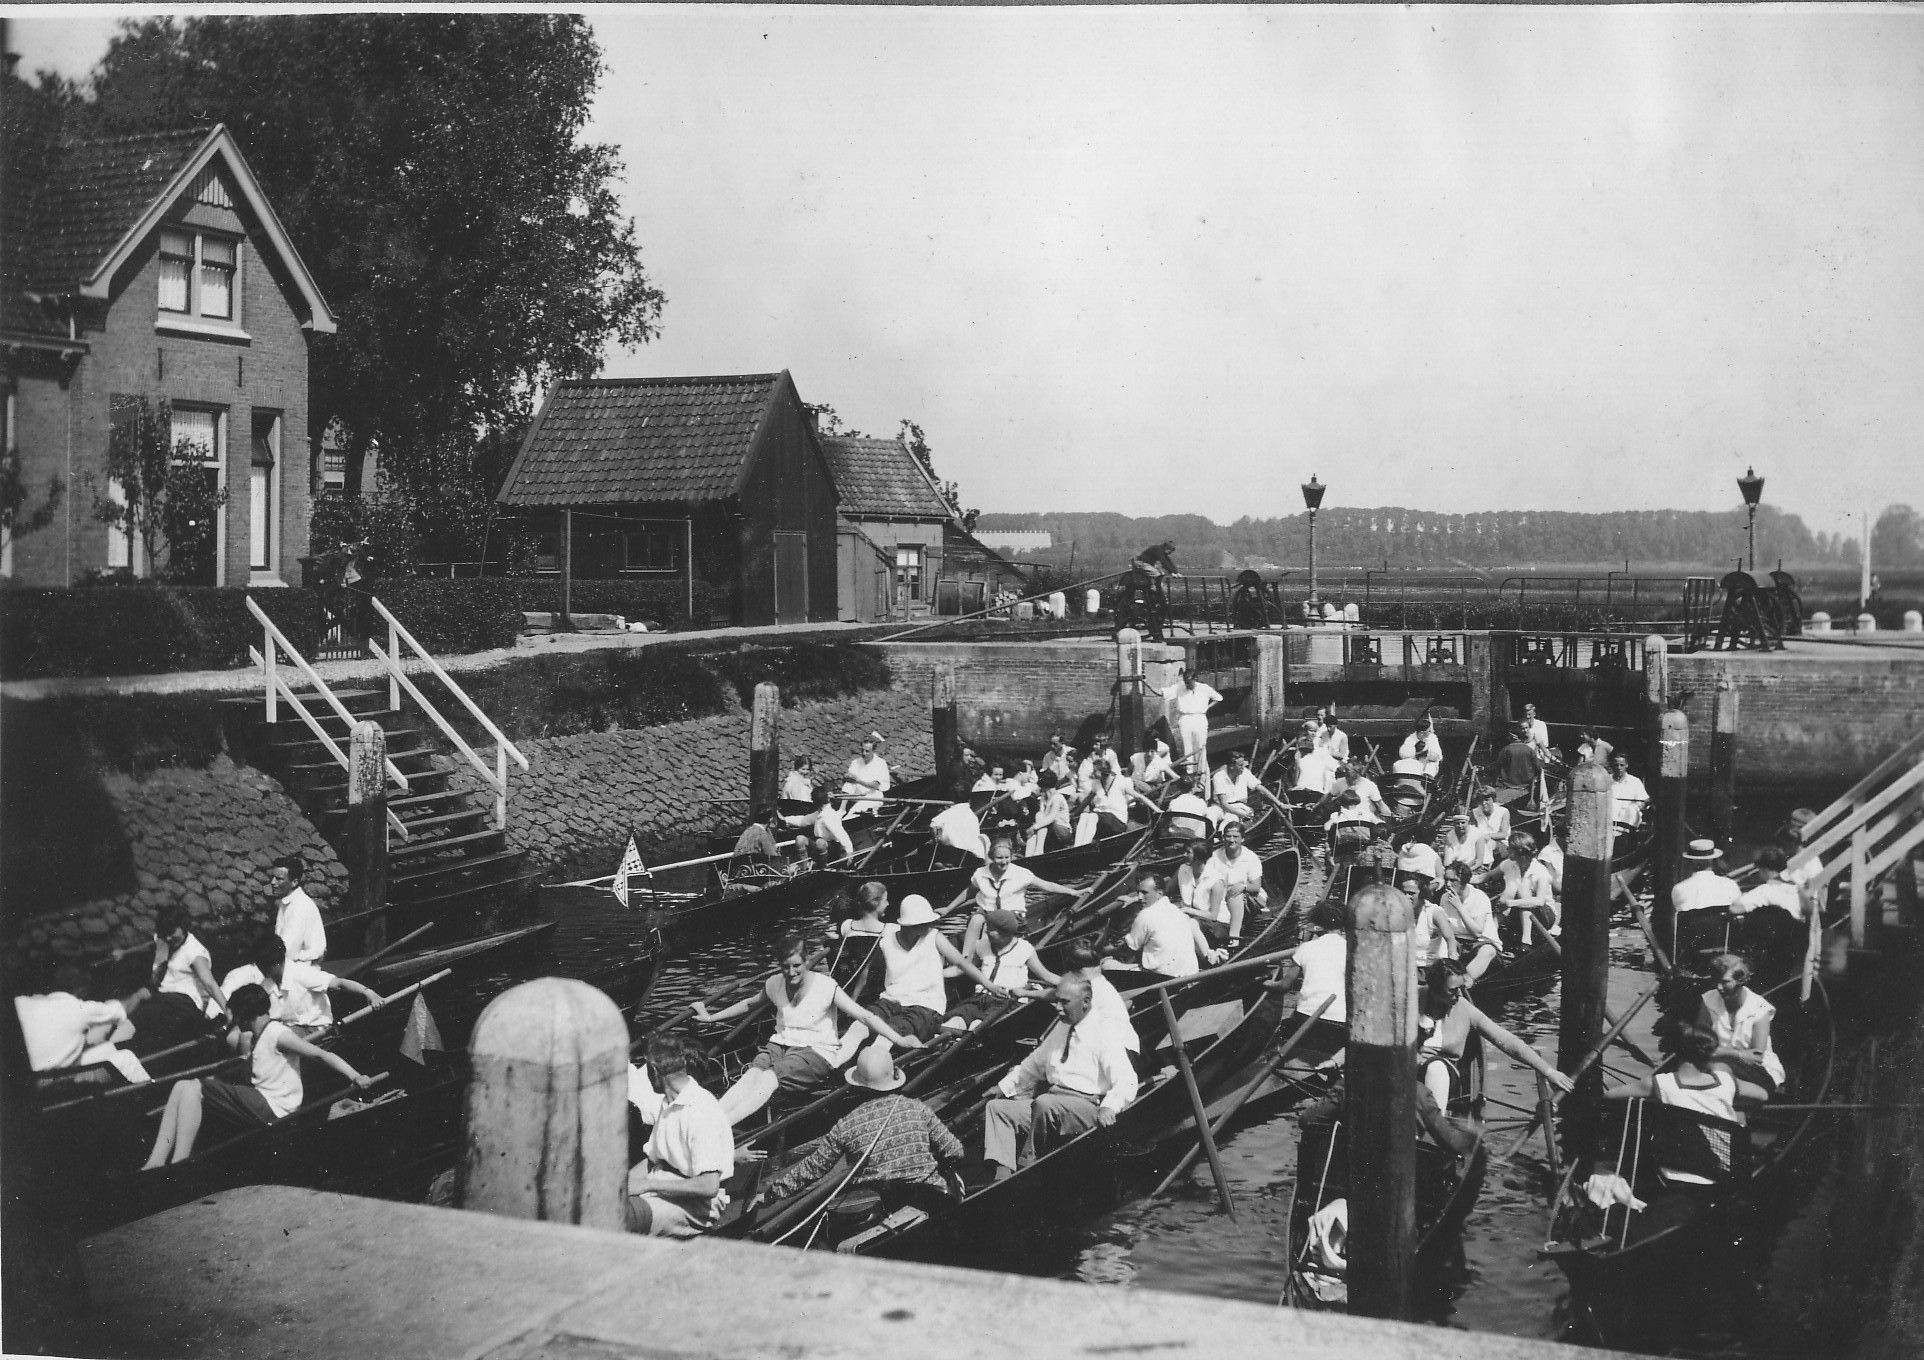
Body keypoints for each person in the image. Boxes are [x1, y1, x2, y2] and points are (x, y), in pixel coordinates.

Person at [695, 934, 923, 1125]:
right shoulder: (774, 983)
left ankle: (719, 1128)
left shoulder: (826, 987)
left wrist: (900, 1040)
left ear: (806, 962)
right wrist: (710, 1017)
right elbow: (749, 1004)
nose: (792, 973)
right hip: (781, 1045)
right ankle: (710, 1120)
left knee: (768, 1078)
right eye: (786, 967)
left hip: (816, 1052)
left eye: (797, 966)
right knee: (753, 1073)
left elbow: (864, 1015)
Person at [142, 984, 376, 1169]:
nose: (235, 1023)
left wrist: (355, 1076)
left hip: (277, 1107)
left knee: (196, 1088)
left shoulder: (278, 1035)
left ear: (246, 1015)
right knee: (183, 1084)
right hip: (263, 1099)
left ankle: (180, 1162)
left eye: (236, 1017)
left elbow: (321, 1055)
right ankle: (156, 1161)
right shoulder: (257, 1037)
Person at [751, 1045, 966, 1217]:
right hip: (929, 1197)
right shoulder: (917, 1108)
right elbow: (955, 1151)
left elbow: (812, 1169)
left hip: (880, 1205)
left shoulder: (845, 1125)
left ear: (858, 1085)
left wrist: (769, 1195)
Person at [983, 974, 1140, 1180]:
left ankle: (1027, 1166)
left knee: (1044, 1102)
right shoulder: (1061, 1027)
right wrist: (1002, 1088)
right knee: (997, 1108)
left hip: (1085, 1108)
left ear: (1086, 1002)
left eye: (1064, 1002)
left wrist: (1110, 1106)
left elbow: (1127, 1079)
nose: (1057, 1007)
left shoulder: (1104, 1033)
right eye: (1056, 1000)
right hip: (1049, 1106)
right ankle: (1002, 1175)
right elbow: (1033, 1064)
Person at [1604, 1024, 1767, 1187]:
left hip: (1672, 1174)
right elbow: (1762, 1095)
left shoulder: (1660, 1083)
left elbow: (1610, 1095)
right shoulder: (1726, 1081)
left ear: (1675, 1052)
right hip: (1722, 1176)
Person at [1417, 960, 1574, 1109]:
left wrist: (1548, 1071)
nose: (1459, 994)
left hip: (1444, 1074)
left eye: (1461, 988)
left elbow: (1507, 1041)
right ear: (1435, 988)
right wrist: (1412, 1055)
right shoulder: (1411, 1000)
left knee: (1435, 1069)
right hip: (1407, 1067)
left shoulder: (1464, 1008)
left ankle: (1433, 1127)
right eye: (1452, 990)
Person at [624, 1035, 735, 1237]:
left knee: (621, 1216)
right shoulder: (668, 1104)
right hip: (662, 1185)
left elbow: (709, 1185)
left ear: (654, 1071)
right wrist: (622, 1186)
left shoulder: (700, 1111)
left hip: (696, 1205)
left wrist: (649, 1184)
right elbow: (652, 1160)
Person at [854, 895, 998, 1046]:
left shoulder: (934, 937)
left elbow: (962, 963)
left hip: (924, 1006)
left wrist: (989, 985)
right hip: (891, 1000)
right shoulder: (886, 942)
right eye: (925, 922)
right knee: (858, 1027)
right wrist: (853, 1001)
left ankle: (877, 1063)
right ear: (911, 925)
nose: (930, 925)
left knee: (887, 1036)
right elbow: (867, 972)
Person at [15, 964, 147, 1074]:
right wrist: (139, 995)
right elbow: (121, 1009)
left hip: (22, 1075)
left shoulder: (23, 1002)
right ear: (81, 989)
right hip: (53, 1079)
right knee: (124, 1057)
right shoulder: (78, 1008)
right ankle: (150, 1094)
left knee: (105, 1047)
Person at [961, 838, 1077, 955]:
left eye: (1007, 857)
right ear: (992, 857)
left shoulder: (1021, 873)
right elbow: (969, 892)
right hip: (989, 915)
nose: (1004, 861)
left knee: (992, 928)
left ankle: (986, 956)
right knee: (976, 920)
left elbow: (1046, 885)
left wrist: (1073, 892)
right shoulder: (981, 873)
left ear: (1011, 856)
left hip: (1011, 917)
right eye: (999, 858)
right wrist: (948, 908)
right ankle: (965, 959)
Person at [946, 911, 1059, 1031]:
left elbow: (1047, 976)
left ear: (1004, 933)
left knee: (977, 1025)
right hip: (980, 998)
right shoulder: (982, 945)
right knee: (953, 1021)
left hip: (1008, 1001)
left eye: (990, 929)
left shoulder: (1024, 949)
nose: (986, 931)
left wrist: (1073, 984)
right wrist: (936, 973)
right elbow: (963, 968)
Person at [255, 935, 387, 1037]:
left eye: (266, 966)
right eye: (260, 965)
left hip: (316, 1030)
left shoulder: (301, 973)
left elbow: (339, 984)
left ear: (278, 962)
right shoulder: (266, 983)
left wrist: (369, 993)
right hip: (289, 1030)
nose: (262, 970)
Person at [1110, 871, 1225, 983]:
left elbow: (1128, 949)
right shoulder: (1175, 910)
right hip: (1188, 974)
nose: (1139, 897)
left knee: (1107, 965)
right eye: (1138, 892)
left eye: (1144, 893)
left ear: (1159, 893)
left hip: (1163, 979)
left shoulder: (1145, 915)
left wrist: (1108, 951)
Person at [141, 903, 230, 1047]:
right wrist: (124, 953)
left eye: (172, 932)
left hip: (185, 1003)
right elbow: (151, 945)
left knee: (151, 1021)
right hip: (161, 998)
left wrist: (229, 1013)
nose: (169, 938)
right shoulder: (163, 938)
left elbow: (210, 984)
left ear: (184, 926)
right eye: (165, 934)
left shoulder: (195, 953)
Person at [1699, 952, 1784, 1093]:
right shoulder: (1708, 1000)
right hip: (1718, 1064)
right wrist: (1739, 1054)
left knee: (1716, 1071)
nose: (1719, 987)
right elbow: (1699, 1045)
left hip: (1758, 1071)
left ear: (1741, 981)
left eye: (1725, 982)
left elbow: (1756, 1058)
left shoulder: (1760, 1008)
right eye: (1716, 981)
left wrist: (1717, 1052)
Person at [1284, 900, 1350, 1056]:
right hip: (1339, 1019)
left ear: (1317, 923)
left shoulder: (1305, 948)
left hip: (1305, 1017)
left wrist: (1269, 984)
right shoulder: (1352, 950)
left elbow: (1285, 985)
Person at [1196, 819, 1267, 947]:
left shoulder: (1250, 858)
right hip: (1220, 896)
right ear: (1223, 838)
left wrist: (1243, 886)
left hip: (1248, 898)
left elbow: (1256, 887)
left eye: (1235, 837)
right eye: (1228, 836)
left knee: (1235, 893)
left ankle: (1234, 937)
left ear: (1242, 839)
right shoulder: (1215, 857)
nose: (1231, 840)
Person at [1433, 860, 1502, 982]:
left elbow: (1477, 932)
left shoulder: (1479, 897)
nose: (1448, 884)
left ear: (1464, 882)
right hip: (1457, 942)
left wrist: (1459, 907)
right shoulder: (1445, 897)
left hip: (1479, 943)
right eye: (1446, 879)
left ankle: (1464, 983)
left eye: (1453, 880)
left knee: (1487, 951)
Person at [1496, 832, 1559, 940]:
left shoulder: (1540, 871)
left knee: (1523, 890)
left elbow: (1539, 901)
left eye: (1510, 848)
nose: (1507, 850)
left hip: (1543, 914)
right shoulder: (1509, 864)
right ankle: (1492, 932)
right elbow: (1484, 877)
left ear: (1519, 851)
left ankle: (1526, 940)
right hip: (1518, 911)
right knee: (1509, 891)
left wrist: (1510, 903)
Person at [1166, 666, 1225, 776]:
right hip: (1185, 718)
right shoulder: (1179, 688)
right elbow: (1164, 693)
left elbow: (1218, 698)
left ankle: (1201, 771)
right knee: (1187, 746)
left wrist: (1207, 708)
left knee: (1201, 744)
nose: (1187, 684)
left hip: (1199, 718)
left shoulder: (1204, 688)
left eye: (1189, 682)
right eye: (1185, 681)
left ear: (1195, 679)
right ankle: (1190, 772)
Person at [1079, 760, 1161, 839]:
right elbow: (1087, 800)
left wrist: (1158, 810)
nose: (1093, 773)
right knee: (1084, 815)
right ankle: (1078, 847)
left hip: (1117, 820)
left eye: (1095, 771)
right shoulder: (1096, 783)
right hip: (1101, 819)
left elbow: (1140, 797)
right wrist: (1075, 813)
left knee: (1093, 816)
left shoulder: (1120, 781)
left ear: (1103, 771)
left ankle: (1085, 846)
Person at [270, 855, 327, 964]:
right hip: (286, 963)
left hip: (302, 967)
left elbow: (288, 951)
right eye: (273, 877)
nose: (273, 882)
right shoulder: (286, 901)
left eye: (279, 879)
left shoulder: (300, 907)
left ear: (295, 882)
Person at [1672, 839, 1743, 920]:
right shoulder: (1730, 885)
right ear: (1713, 859)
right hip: (1721, 932)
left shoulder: (1678, 889)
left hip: (1689, 932)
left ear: (1690, 860)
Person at [1212, 748, 1284, 826]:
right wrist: (1242, 815)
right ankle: (1206, 837)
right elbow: (1223, 804)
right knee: (1210, 815)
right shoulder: (1219, 777)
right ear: (1231, 766)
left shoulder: (1245, 772)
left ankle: (1221, 836)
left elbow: (1261, 788)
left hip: (1239, 807)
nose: (1243, 767)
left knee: (1231, 819)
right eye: (1240, 765)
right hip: (1220, 806)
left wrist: (1279, 804)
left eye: (1243, 764)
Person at [1736, 847, 1805, 919]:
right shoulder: (1798, 890)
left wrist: (1744, 895)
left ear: (1765, 869)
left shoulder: (1764, 891)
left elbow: (1734, 908)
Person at [802, 786, 856, 865]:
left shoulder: (829, 815)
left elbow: (840, 833)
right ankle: (804, 867)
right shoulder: (820, 813)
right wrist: (785, 820)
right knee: (800, 840)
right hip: (820, 845)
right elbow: (803, 820)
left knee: (820, 843)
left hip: (831, 848)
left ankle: (822, 867)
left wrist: (850, 852)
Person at [930, 797, 991, 862]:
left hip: (955, 854)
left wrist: (936, 839)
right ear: (969, 801)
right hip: (974, 856)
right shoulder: (972, 816)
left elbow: (932, 825)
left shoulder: (947, 813)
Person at [1027, 771, 1074, 853]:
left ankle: (1039, 851)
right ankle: (1030, 854)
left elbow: (1051, 817)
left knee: (1038, 825)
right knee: (1038, 818)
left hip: (1062, 829)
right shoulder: (1044, 798)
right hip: (1048, 828)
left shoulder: (1057, 798)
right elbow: (1041, 816)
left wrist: (1034, 827)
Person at [841, 736, 891, 815]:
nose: (863, 753)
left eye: (867, 751)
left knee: (852, 814)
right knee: (849, 782)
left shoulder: (880, 763)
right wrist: (847, 777)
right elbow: (849, 782)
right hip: (857, 794)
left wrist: (858, 781)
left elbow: (875, 785)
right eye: (862, 750)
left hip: (873, 795)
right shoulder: (856, 762)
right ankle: (842, 809)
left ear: (873, 751)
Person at [732, 806, 790, 872]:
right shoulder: (762, 834)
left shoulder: (747, 831)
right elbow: (773, 858)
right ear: (770, 819)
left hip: (740, 870)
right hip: (756, 871)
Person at [1492, 723, 1543, 796]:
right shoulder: (1529, 750)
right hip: (1527, 786)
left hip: (1509, 785)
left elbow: (1497, 767)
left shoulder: (1506, 750)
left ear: (1512, 737)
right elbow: (1538, 767)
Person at [1165, 772, 1217, 841]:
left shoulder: (1174, 802)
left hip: (1176, 836)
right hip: (1194, 837)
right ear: (1193, 787)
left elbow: (1167, 816)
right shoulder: (1200, 802)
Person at [1289, 734, 1341, 803]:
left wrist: (1296, 761)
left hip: (1301, 791)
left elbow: (1295, 782)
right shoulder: (1323, 760)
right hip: (1317, 793)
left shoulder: (1300, 761)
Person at [1607, 753, 1649, 833]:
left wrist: (1646, 803)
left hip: (1628, 822)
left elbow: (1642, 803)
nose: (1619, 768)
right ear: (1612, 766)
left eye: (1622, 765)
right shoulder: (1606, 780)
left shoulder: (1635, 781)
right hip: (1610, 821)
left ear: (1627, 765)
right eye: (1616, 765)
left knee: (1632, 809)